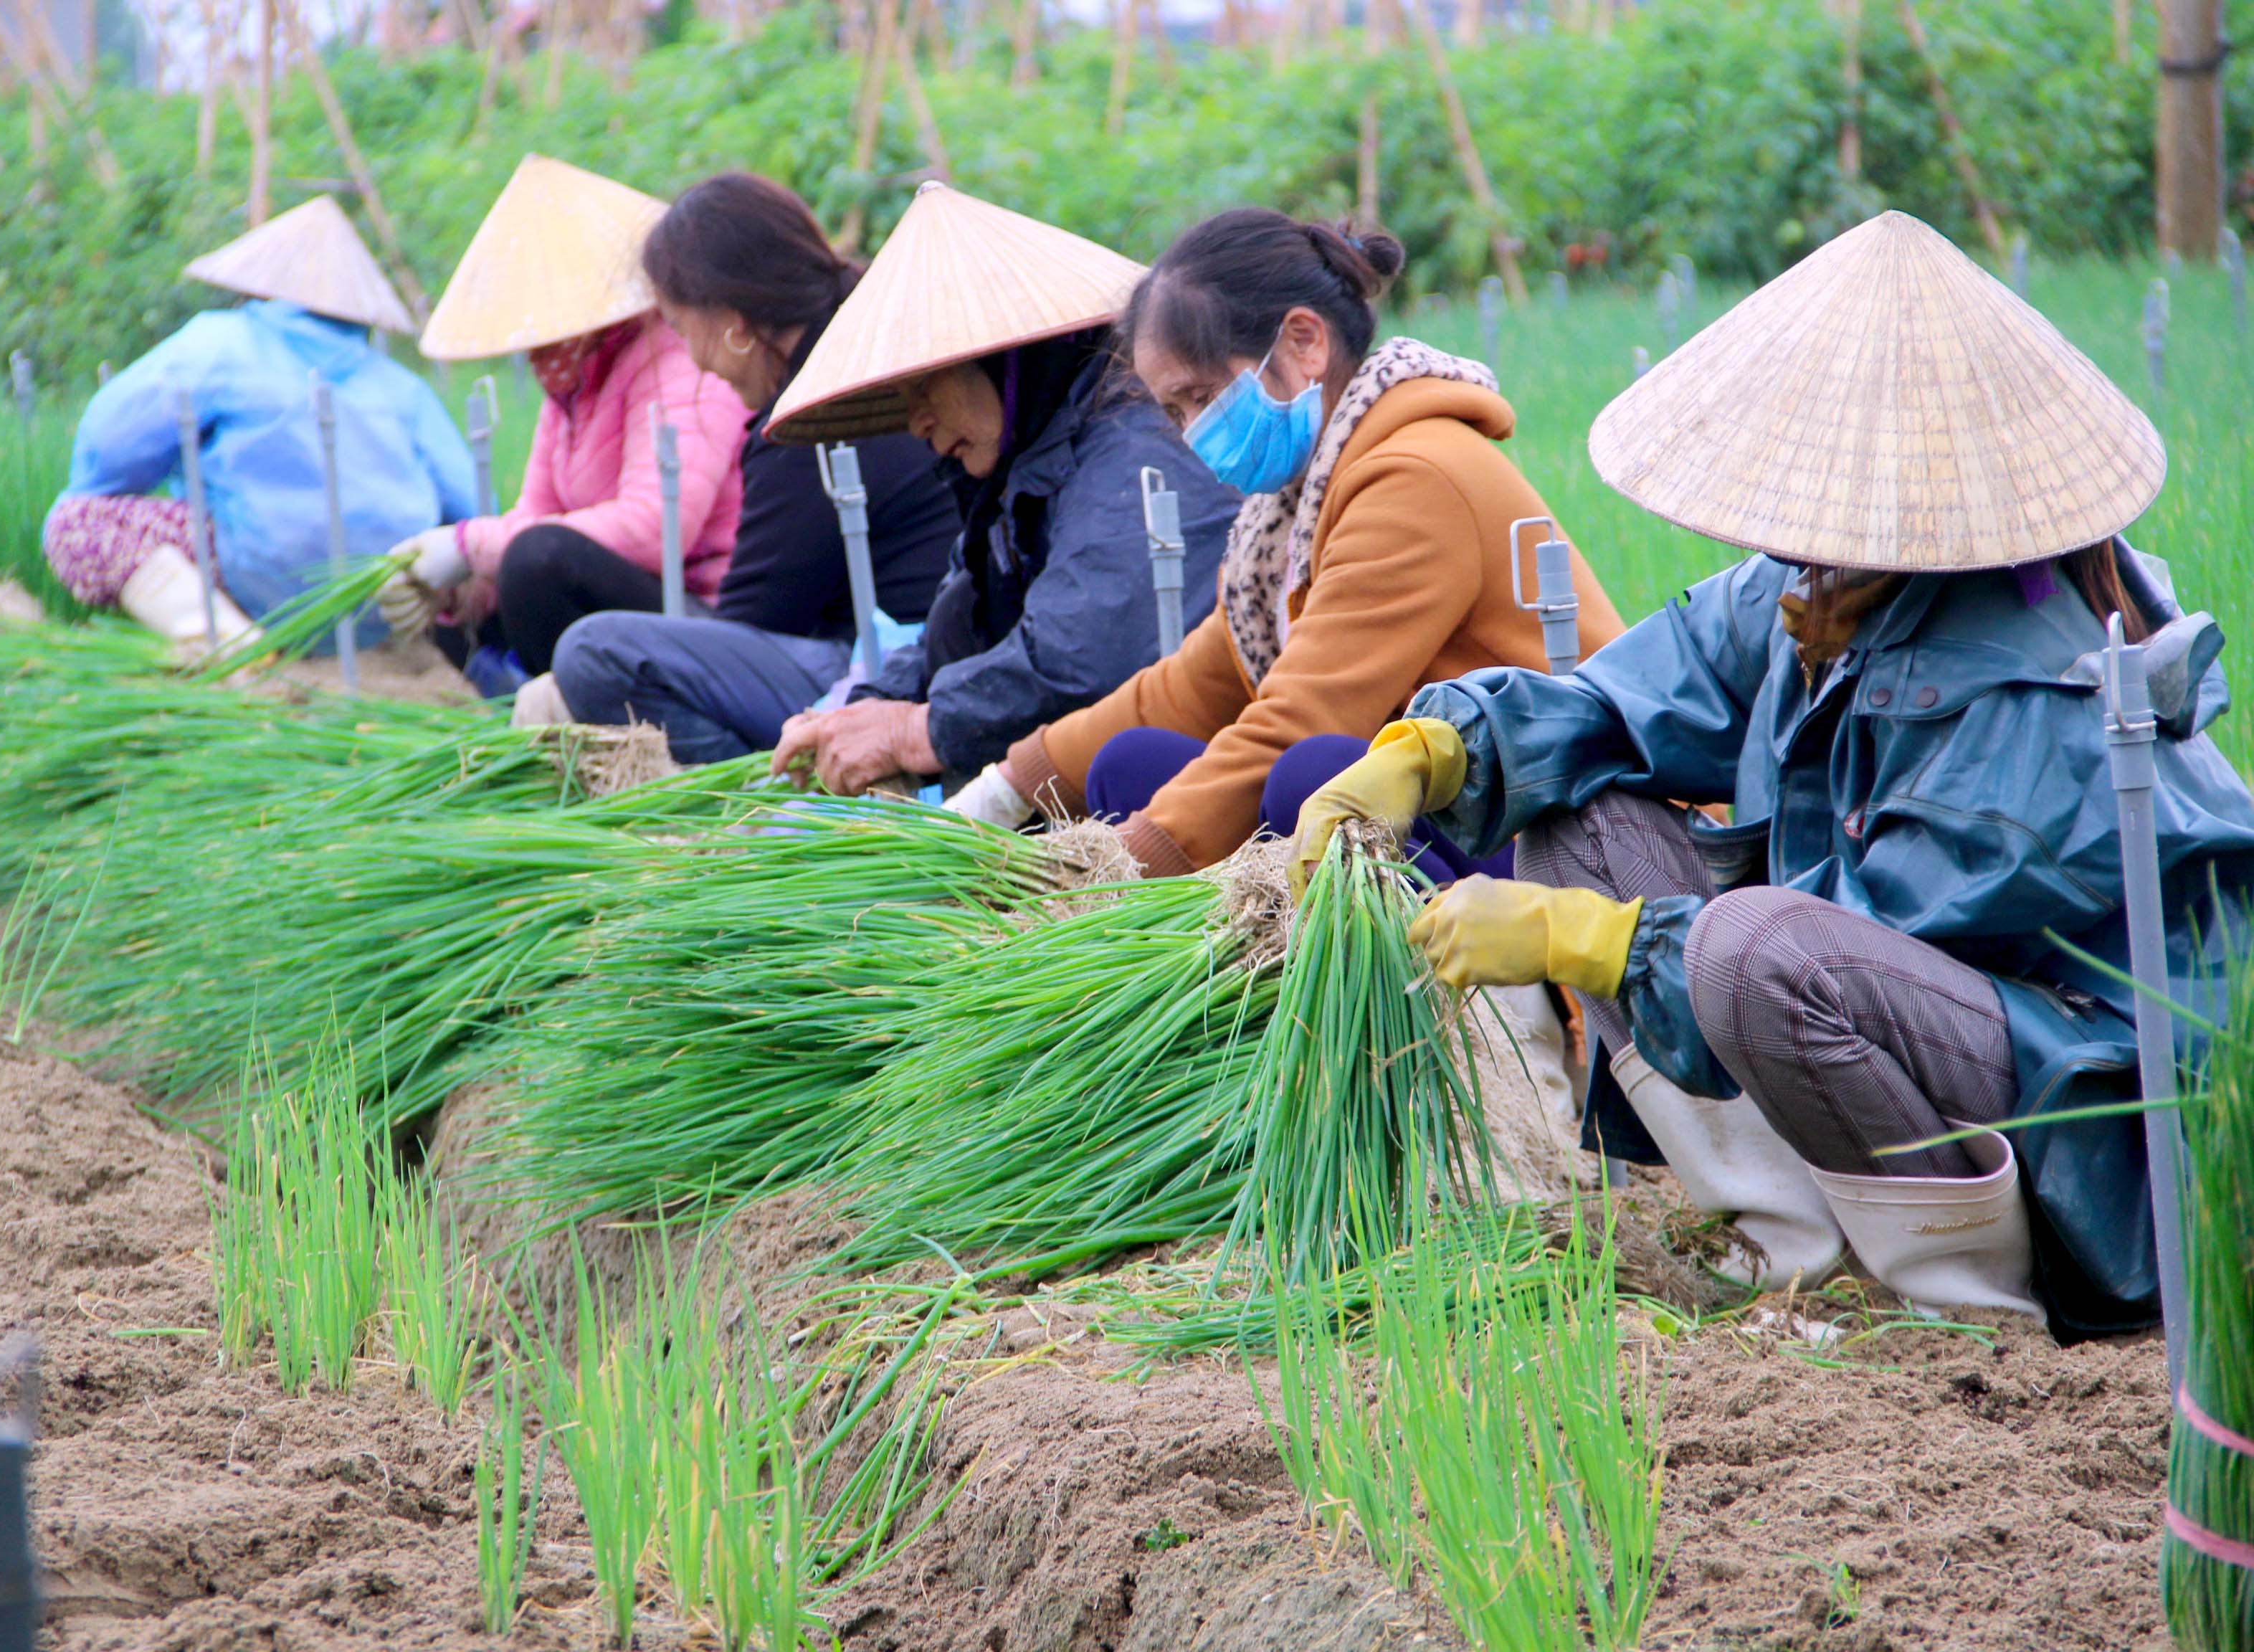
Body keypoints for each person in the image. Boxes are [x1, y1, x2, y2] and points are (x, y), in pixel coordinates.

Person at [1295, 212, 2254, 1334]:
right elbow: (1629, 698)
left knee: (1753, 952)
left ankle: (1962, 1295)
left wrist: (1587, 941)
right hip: (1912, 1021)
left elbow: (1864, 943)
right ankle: (1792, 1248)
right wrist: (1435, 750)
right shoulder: (1839, 582)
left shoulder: (2031, 677)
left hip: (2087, 1114)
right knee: (1582, 820)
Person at [949, 209, 1623, 878]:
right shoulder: (1291, 513)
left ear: (1305, 342)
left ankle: (1479, 988)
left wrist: (1114, 870)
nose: (1194, 433)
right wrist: (1009, 786)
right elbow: (1190, 687)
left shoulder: (1415, 476)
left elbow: (1306, 715)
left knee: (1313, 777)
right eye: (1176, 413)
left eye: (1202, 396)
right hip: (1457, 804)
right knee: (1134, 764)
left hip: (1564, 838)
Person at [761, 182, 1237, 796]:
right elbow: (956, 630)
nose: (915, 423)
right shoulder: (1024, 462)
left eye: (926, 389)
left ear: (999, 361)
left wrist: (915, 730)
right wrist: (868, 705)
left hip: (1173, 787)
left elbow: (1085, 656)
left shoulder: (1131, 443)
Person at [519, 174, 962, 751]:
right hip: (920, 652)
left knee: (595, 655)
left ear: (732, 326)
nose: (698, 363)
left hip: (892, 667)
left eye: (682, 331)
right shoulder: (863, 345)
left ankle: (746, 805)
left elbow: (757, 622)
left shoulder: (813, 415)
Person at [43, 196, 474, 658]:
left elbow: (106, 449)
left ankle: (228, 646)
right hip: (381, 599)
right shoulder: (401, 386)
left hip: (259, 573)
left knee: (76, 523)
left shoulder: (223, 343)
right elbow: (470, 505)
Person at [378, 154, 750, 688]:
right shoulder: (573, 387)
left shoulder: (677, 362)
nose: (537, 350)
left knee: (534, 561)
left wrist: (470, 544)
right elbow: (537, 512)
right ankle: (532, 710)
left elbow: (656, 527)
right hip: (631, 600)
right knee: (467, 609)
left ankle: (585, 719)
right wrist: (463, 595)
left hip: (700, 613)